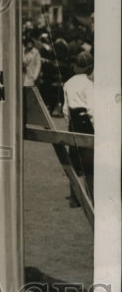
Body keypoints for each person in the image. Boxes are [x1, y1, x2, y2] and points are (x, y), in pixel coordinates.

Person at [63, 51, 94, 201]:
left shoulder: (68, 83)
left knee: (75, 160)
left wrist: (69, 126)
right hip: (86, 125)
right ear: (89, 68)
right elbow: (92, 110)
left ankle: (75, 197)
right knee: (89, 163)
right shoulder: (89, 85)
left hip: (73, 124)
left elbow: (65, 110)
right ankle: (92, 197)